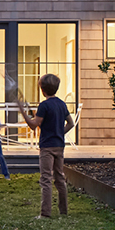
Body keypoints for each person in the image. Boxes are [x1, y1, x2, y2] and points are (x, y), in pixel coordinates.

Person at [17, 73, 73, 218]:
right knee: (60, 178)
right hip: (59, 146)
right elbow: (71, 123)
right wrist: (60, 133)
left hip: (47, 147)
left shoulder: (44, 105)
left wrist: (23, 112)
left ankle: (45, 214)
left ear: (42, 90)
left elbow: (34, 126)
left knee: (46, 179)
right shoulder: (61, 104)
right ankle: (64, 211)